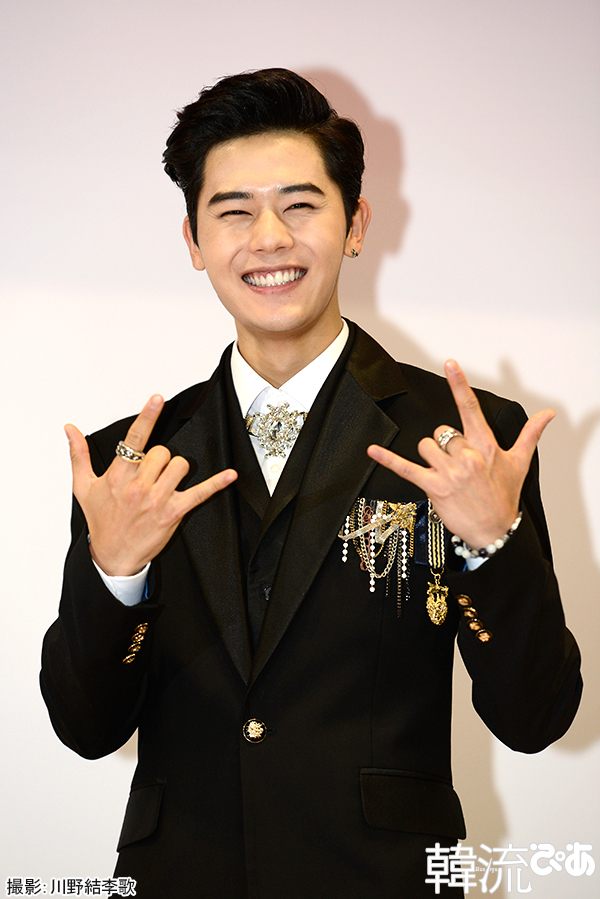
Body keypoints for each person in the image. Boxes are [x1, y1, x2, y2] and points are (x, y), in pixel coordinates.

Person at [41, 69, 582, 898]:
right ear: (193, 240)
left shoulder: (467, 439)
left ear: (355, 223)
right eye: (233, 211)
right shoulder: (131, 461)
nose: (269, 238)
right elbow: (85, 727)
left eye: (300, 205)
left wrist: (492, 543)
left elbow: (536, 717)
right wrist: (115, 573)